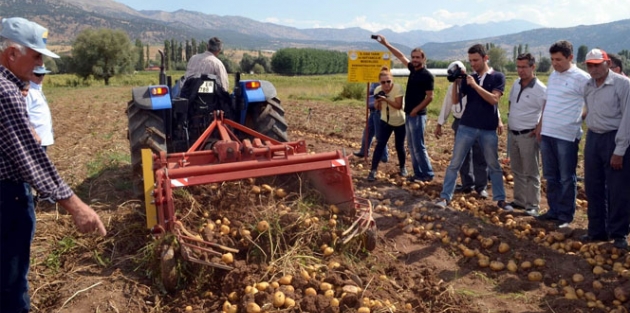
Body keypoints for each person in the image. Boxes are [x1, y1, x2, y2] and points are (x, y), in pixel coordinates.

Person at [0, 17, 107, 312]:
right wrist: (76, 206)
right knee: (11, 283)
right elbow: (29, 159)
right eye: (36, 57)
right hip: (6, 198)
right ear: (11, 54)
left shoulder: (12, 88)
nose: (39, 65)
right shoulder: (5, 92)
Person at [435, 44, 511, 211]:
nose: (473, 64)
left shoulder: (497, 77)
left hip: (487, 129)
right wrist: (456, 83)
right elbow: (455, 101)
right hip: (466, 127)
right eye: (470, 61)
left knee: (493, 165)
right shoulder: (469, 78)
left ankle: (500, 199)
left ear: (486, 58)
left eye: (476, 60)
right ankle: (444, 197)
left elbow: (494, 100)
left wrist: (475, 86)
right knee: (455, 163)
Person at [534, 40, 590, 228]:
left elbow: (590, 105)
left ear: (570, 58)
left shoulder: (582, 78)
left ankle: (566, 215)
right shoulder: (553, 76)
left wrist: (577, 120)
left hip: (567, 135)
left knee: (566, 176)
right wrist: (540, 125)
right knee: (551, 175)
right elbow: (546, 102)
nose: (555, 63)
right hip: (548, 132)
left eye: (558, 59)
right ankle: (553, 210)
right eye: (552, 59)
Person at [581, 48, 630, 249]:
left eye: (597, 64)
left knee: (617, 188)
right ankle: (596, 231)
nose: (593, 69)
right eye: (590, 66)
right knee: (593, 186)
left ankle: (618, 233)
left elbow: (628, 118)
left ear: (607, 63)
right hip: (593, 137)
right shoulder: (588, 85)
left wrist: (620, 149)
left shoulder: (623, 84)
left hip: (614, 137)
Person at [374, 35, 434, 182]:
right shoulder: (413, 70)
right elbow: (399, 55)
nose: (415, 60)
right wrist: (386, 44)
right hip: (409, 114)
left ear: (423, 59)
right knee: (411, 146)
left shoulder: (427, 76)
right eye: (413, 57)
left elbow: (430, 97)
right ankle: (418, 174)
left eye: (418, 57)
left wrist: (415, 110)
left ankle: (428, 174)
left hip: (418, 115)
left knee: (418, 146)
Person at [435, 61, 489, 198]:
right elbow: (447, 105)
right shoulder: (451, 88)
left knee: (479, 155)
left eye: (459, 75)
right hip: (459, 122)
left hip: (476, 121)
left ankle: (481, 187)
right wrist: (440, 123)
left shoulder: (474, 84)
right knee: (463, 156)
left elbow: (486, 102)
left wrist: (498, 120)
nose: (458, 78)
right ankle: (467, 184)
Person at [506, 53, 546, 216]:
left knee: (531, 171)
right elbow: (510, 103)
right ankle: (520, 201)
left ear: (532, 67)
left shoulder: (541, 89)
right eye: (518, 67)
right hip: (513, 133)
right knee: (517, 169)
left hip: (528, 135)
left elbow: (546, 110)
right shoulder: (516, 84)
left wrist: (539, 127)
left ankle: (533, 205)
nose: (520, 70)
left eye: (524, 67)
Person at [367, 67, 406, 181]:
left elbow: (398, 106)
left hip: (399, 121)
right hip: (385, 121)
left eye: (388, 81)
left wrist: (385, 99)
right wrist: (378, 101)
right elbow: (376, 107)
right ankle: (373, 171)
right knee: (380, 145)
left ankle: (403, 167)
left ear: (392, 80)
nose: (386, 84)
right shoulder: (377, 89)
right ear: (380, 82)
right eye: (383, 82)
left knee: (399, 146)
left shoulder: (398, 88)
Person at [353, 82, 389, 162]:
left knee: (379, 135)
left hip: (378, 110)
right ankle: (364, 151)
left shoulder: (381, 82)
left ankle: (384, 156)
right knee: (367, 132)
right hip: (373, 111)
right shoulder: (372, 81)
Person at [26, 65, 54, 152]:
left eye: (43, 74)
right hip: (35, 139)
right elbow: (23, 115)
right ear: (30, 74)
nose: (41, 77)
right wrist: (34, 134)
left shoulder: (37, 89)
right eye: (38, 74)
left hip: (42, 138)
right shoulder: (28, 91)